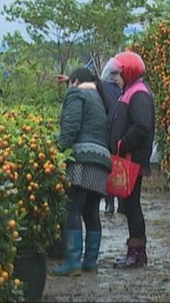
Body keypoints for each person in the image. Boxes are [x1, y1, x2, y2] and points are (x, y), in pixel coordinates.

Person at [52, 68, 112, 276]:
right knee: (91, 211)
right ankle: (90, 262)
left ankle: (72, 261)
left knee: (74, 208)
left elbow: (71, 126)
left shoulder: (76, 93)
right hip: (101, 159)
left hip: (81, 158)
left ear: (75, 82)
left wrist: (60, 152)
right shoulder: (99, 97)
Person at [109, 51, 155, 269]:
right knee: (129, 205)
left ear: (128, 73)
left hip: (133, 160)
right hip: (128, 159)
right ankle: (134, 251)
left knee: (133, 206)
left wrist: (123, 144)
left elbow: (142, 126)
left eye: (118, 74)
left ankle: (137, 253)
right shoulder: (129, 91)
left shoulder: (139, 94)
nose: (115, 78)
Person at [100, 58, 123, 215]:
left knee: (111, 169)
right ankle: (115, 203)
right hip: (116, 133)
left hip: (112, 134)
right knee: (117, 169)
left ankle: (111, 204)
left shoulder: (105, 86)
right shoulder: (122, 87)